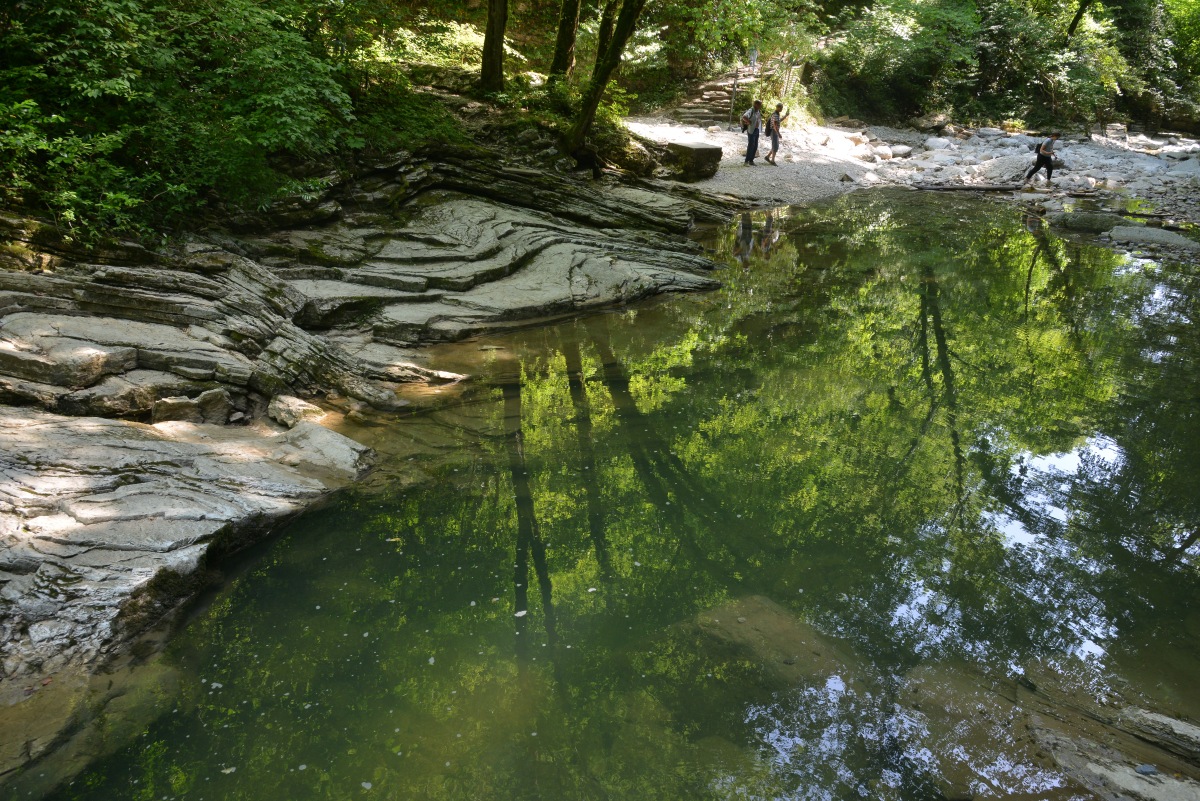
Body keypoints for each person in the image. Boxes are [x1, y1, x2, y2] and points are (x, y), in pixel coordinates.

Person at [741, 100, 764, 166]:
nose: (760, 106)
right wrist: (749, 122)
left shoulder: (757, 111)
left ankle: (751, 160)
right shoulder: (751, 110)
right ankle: (746, 161)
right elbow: (744, 117)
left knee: (755, 146)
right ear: (756, 104)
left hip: (756, 130)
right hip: (751, 130)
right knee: (751, 145)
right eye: (759, 105)